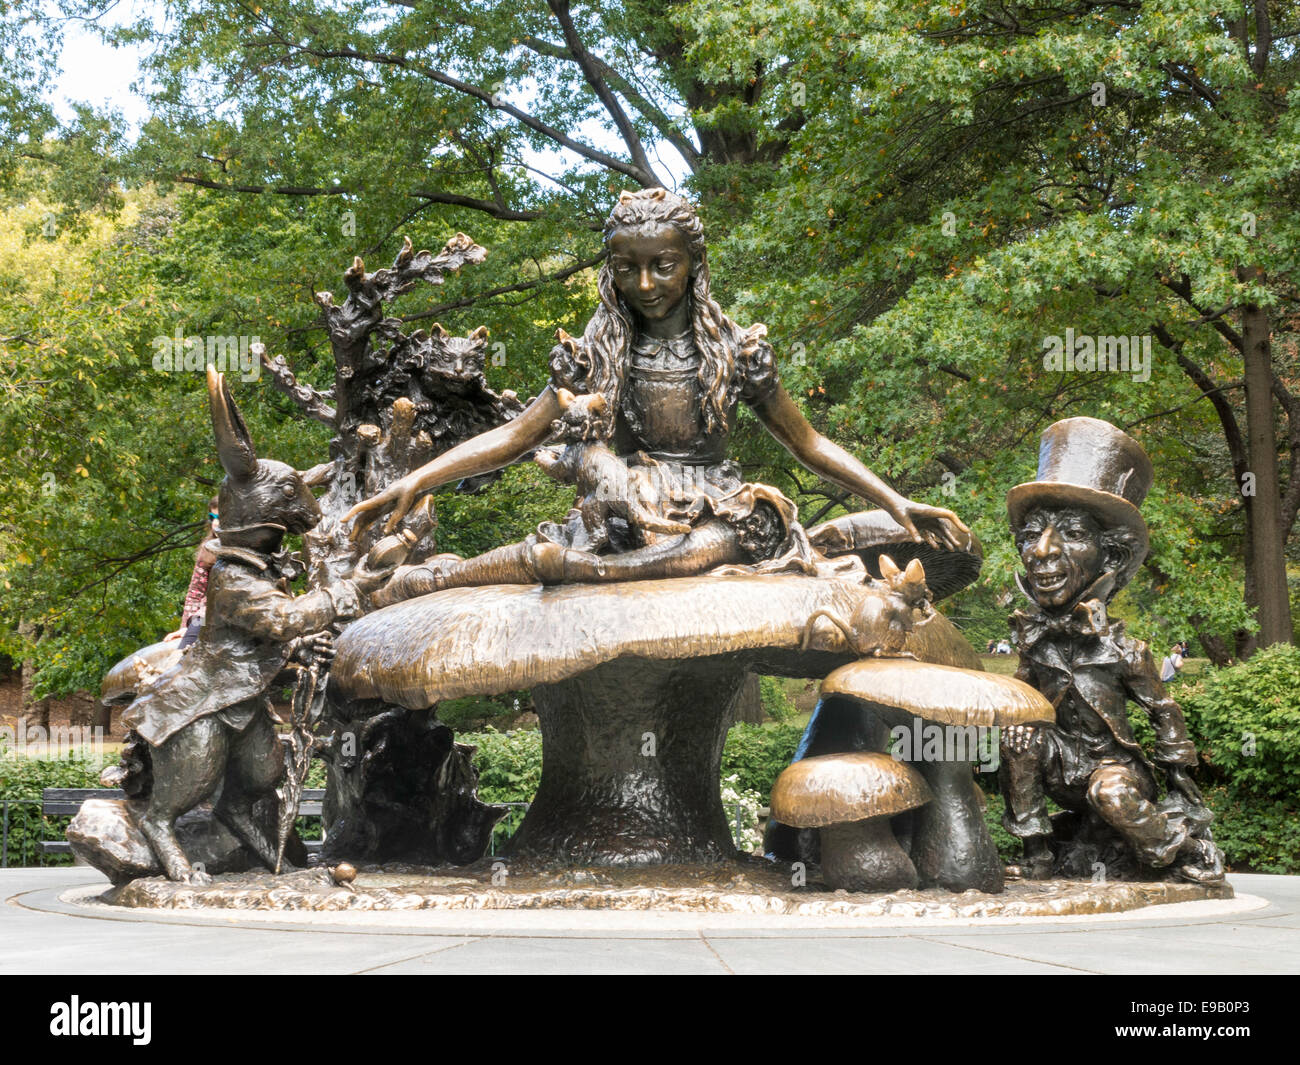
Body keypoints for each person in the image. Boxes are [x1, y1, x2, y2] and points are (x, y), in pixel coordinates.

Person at [346, 188, 969, 595]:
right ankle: (436, 581)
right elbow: (517, 436)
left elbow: (808, 444)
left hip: (712, 504)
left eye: (662, 265)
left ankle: (589, 572)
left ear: (692, 264)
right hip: (627, 500)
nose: (645, 283)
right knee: (558, 538)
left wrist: (897, 504)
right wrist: (415, 480)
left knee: (731, 539)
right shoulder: (597, 352)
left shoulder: (735, 352)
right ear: (610, 270)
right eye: (627, 268)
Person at [998, 418, 1222, 884]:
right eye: (1031, 535)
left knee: (1113, 794)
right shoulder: (1034, 640)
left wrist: (1180, 779)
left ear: (1111, 557)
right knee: (1019, 738)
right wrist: (1015, 722)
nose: (1042, 552)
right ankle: (1038, 854)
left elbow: (1162, 708)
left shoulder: (1124, 649)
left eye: (1072, 534)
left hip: (1113, 766)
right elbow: (1017, 698)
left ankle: (1177, 849)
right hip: (1062, 762)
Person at [164, 498, 219, 649]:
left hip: (239, 614)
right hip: (206, 614)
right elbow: (196, 592)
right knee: (186, 647)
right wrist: (185, 626)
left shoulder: (250, 547)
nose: (215, 523)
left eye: (220, 518)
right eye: (212, 518)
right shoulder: (207, 550)